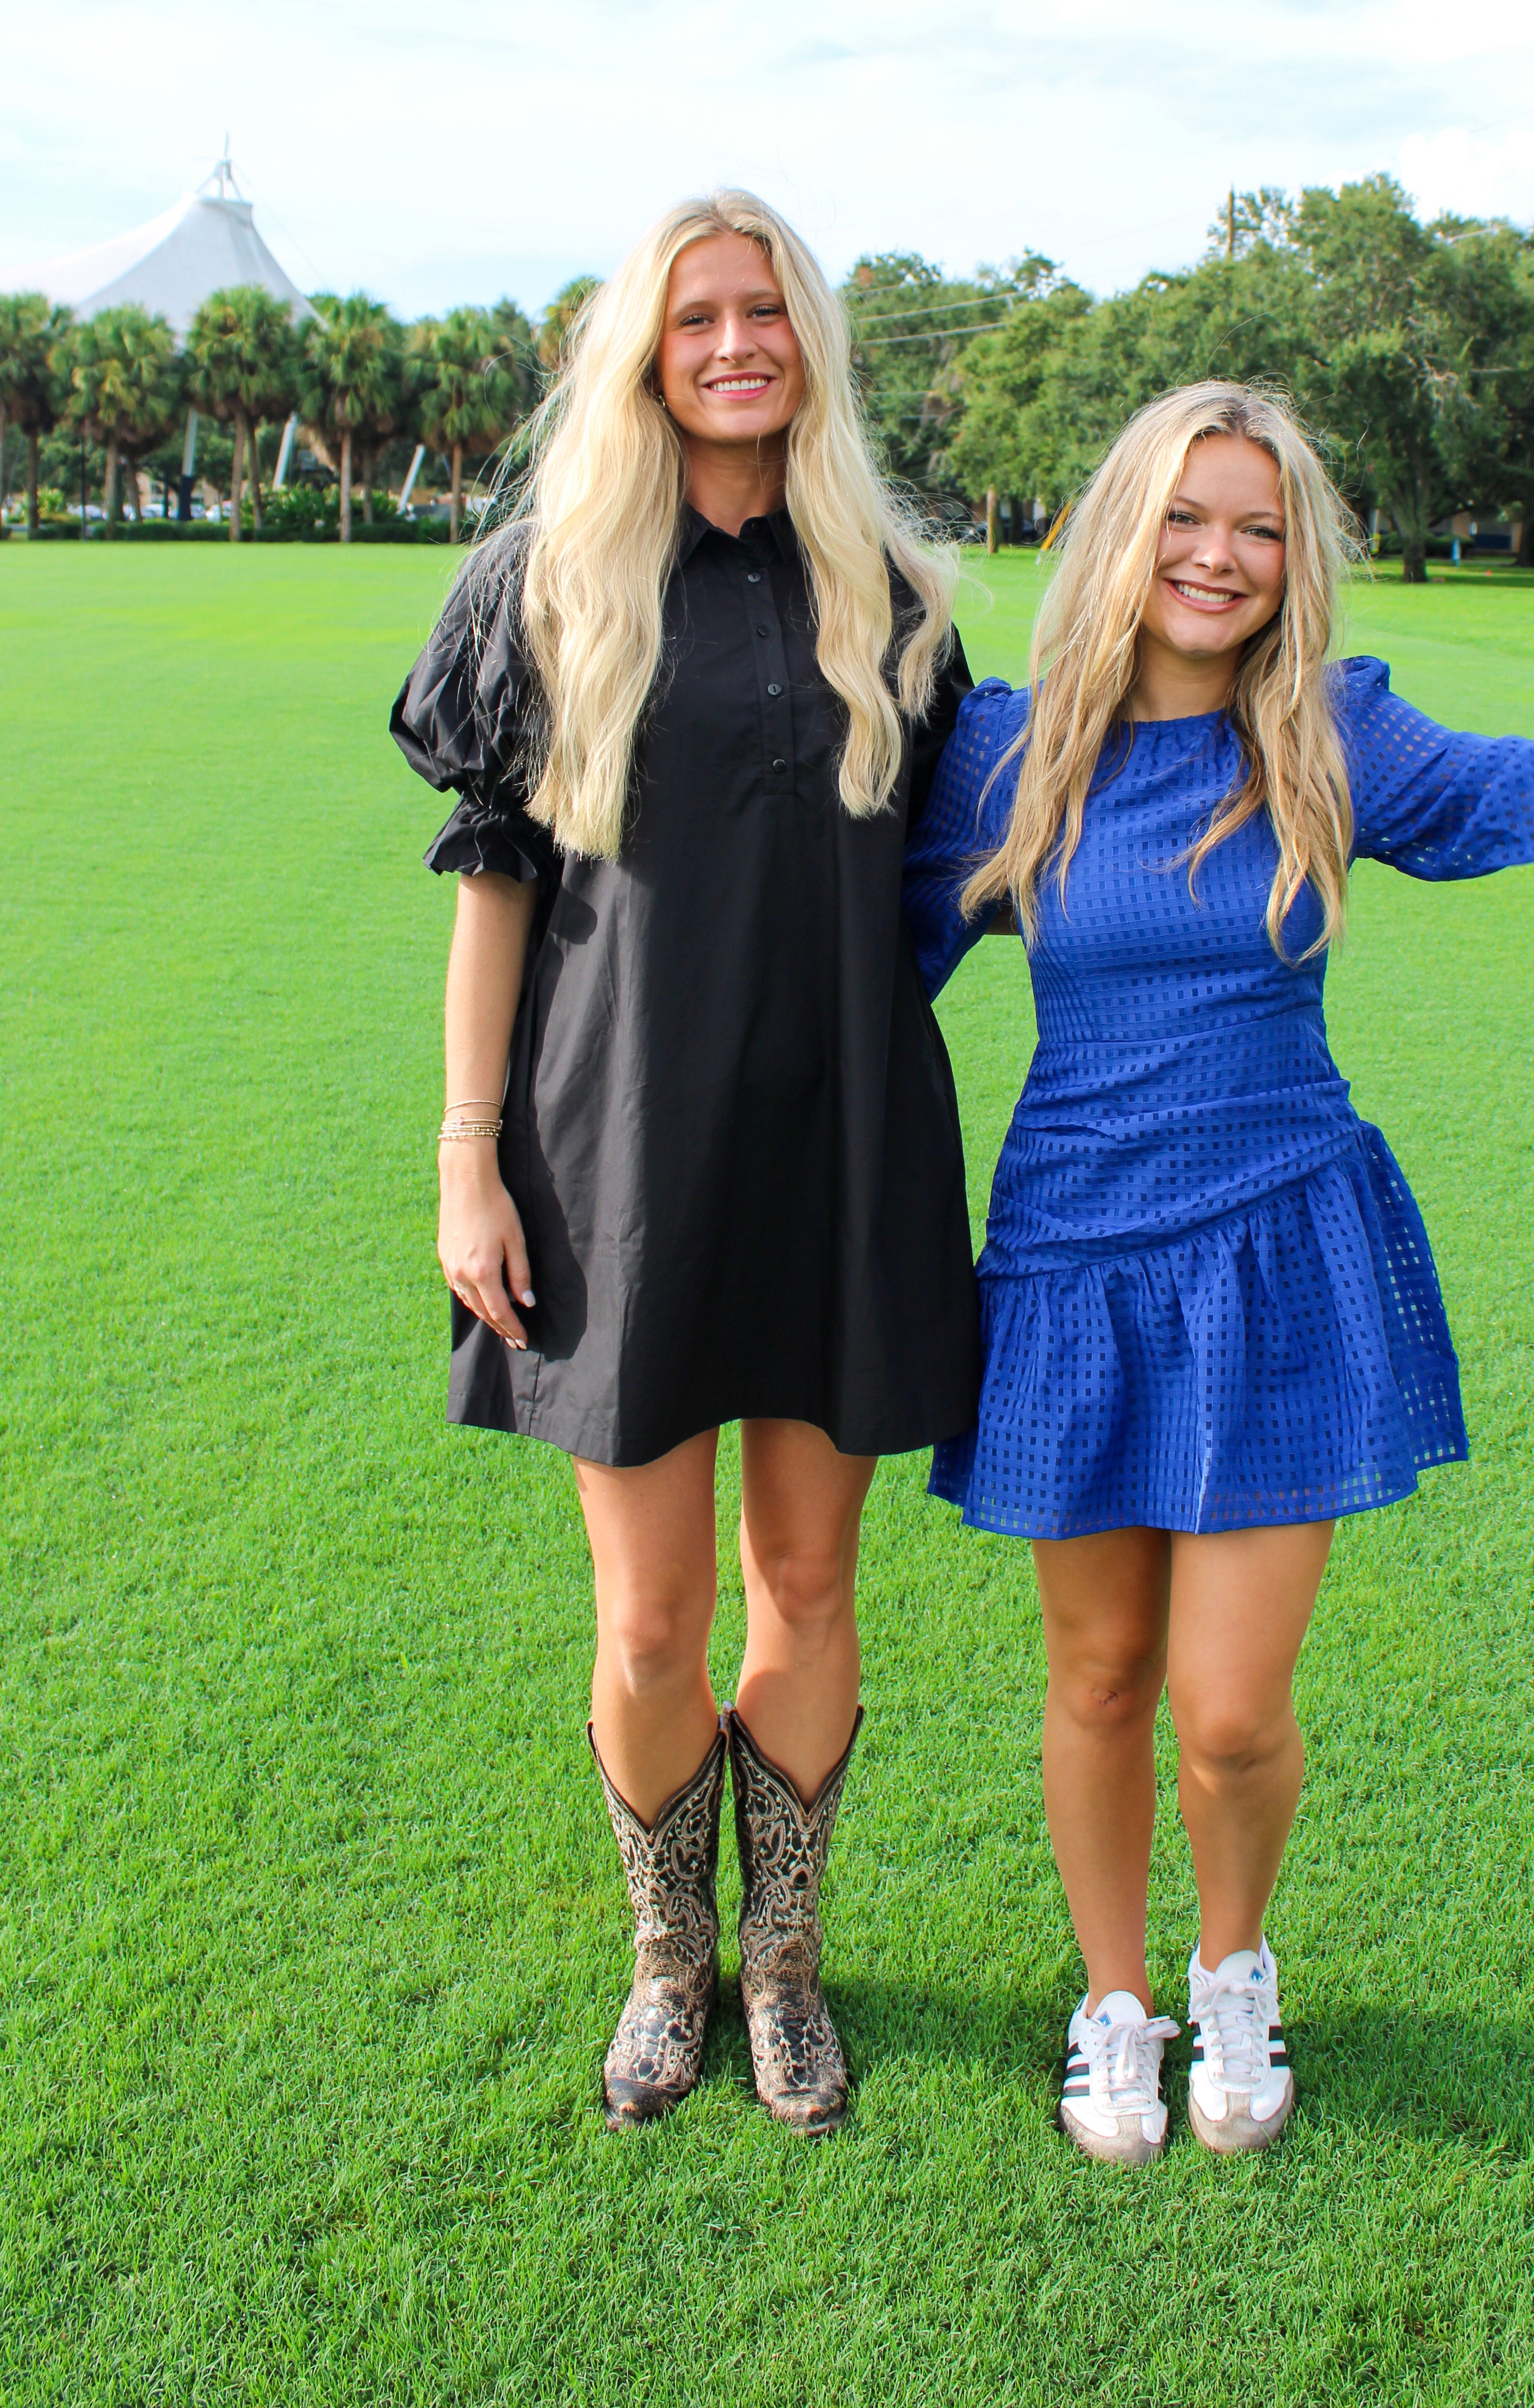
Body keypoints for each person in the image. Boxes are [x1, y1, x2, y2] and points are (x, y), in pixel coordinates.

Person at [903, 380, 1534, 2170]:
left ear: (1293, 560)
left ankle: (1233, 1970)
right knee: (1096, 1676)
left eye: (1259, 527)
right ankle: (1111, 2005)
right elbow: (838, 953)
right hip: (1074, 1260)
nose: (1218, 557)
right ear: (1121, 531)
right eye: (1185, 516)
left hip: (1280, 1248)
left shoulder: (1324, 737)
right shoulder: (1014, 754)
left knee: (1228, 1713)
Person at [390, 191, 977, 2136]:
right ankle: (670, 1965)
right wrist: (469, 1161)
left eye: (767, 312)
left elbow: (972, 856)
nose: (737, 343)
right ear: (644, 348)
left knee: (807, 1579)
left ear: (809, 341)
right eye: (697, 315)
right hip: (610, 1154)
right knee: (645, 1617)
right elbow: (495, 892)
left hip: (840, 1147)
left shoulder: (894, 594)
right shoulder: (550, 578)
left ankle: (786, 1971)